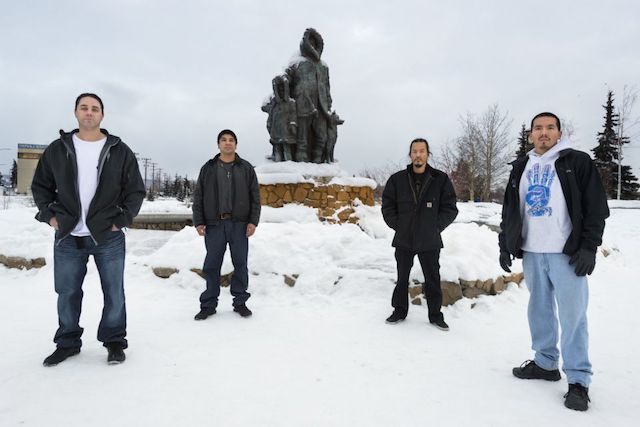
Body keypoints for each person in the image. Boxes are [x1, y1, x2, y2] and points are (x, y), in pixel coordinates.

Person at [499, 112, 609, 411]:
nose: (544, 132)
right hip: (533, 251)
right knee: (540, 309)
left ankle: (578, 379)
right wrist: (505, 243)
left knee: (573, 316)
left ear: (559, 133)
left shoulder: (576, 162)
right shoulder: (521, 166)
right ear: (531, 134)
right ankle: (546, 363)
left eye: (550, 127)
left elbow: (596, 207)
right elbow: (511, 207)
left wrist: (588, 247)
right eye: (538, 128)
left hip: (566, 253)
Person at [32, 93, 145, 366]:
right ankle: (68, 342)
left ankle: (114, 341)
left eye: (95, 109)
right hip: (69, 234)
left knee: (113, 291)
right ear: (76, 112)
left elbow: (135, 190)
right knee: (67, 291)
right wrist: (50, 217)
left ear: (102, 115)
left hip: (108, 234)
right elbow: (40, 186)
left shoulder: (119, 150)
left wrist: (121, 220)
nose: (89, 113)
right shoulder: (58, 149)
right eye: (84, 107)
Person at [381, 138, 458, 330]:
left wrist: (435, 227)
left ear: (427, 154)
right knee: (402, 277)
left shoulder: (440, 179)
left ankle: (435, 315)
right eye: (414, 151)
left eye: (422, 151)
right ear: (410, 155)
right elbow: (387, 206)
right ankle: (399, 311)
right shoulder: (397, 179)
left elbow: (450, 208)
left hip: (429, 239)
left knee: (432, 279)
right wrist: (398, 225)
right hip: (404, 238)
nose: (418, 155)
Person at [192, 129, 260, 320]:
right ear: (219, 144)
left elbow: (255, 197)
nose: (227, 143)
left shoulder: (245, 168)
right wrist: (199, 221)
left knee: (240, 264)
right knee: (212, 265)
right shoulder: (209, 168)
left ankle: (240, 302)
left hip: (239, 225)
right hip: (214, 225)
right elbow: (198, 197)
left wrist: (253, 221)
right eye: (224, 140)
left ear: (236, 145)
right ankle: (208, 304)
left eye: (231, 140)